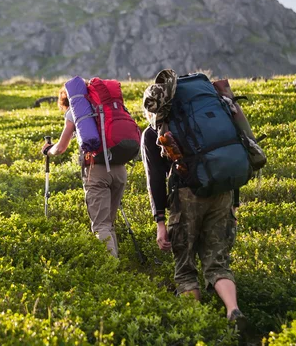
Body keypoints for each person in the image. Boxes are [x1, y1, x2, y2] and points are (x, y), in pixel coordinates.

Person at [141, 78, 247, 328]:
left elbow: (155, 180)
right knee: (218, 261)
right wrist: (233, 202)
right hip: (222, 191)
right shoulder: (210, 114)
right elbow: (232, 154)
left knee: (185, 267)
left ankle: (195, 325)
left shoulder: (153, 132)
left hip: (186, 195)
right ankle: (233, 310)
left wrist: (159, 222)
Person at [41, 85, 127, 258]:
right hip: (119, 167)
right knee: (109, 223)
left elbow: (61, 147)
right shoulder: (106, 106)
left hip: (96, 170)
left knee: (101, 225)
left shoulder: (76, 111)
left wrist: (48, 150)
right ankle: (119, 270)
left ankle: (110, 272)